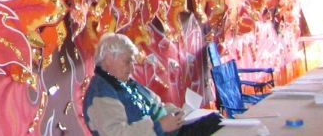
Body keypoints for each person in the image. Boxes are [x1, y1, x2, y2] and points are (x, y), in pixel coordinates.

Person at [83, 33, 221, 136]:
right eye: (127, 62)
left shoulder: (122, 82)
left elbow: (157, 105)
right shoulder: (101, 94)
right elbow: (116, 133)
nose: (132, 68)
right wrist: (159, 127)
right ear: (108, 60)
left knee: (215, 121)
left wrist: (179, 114)